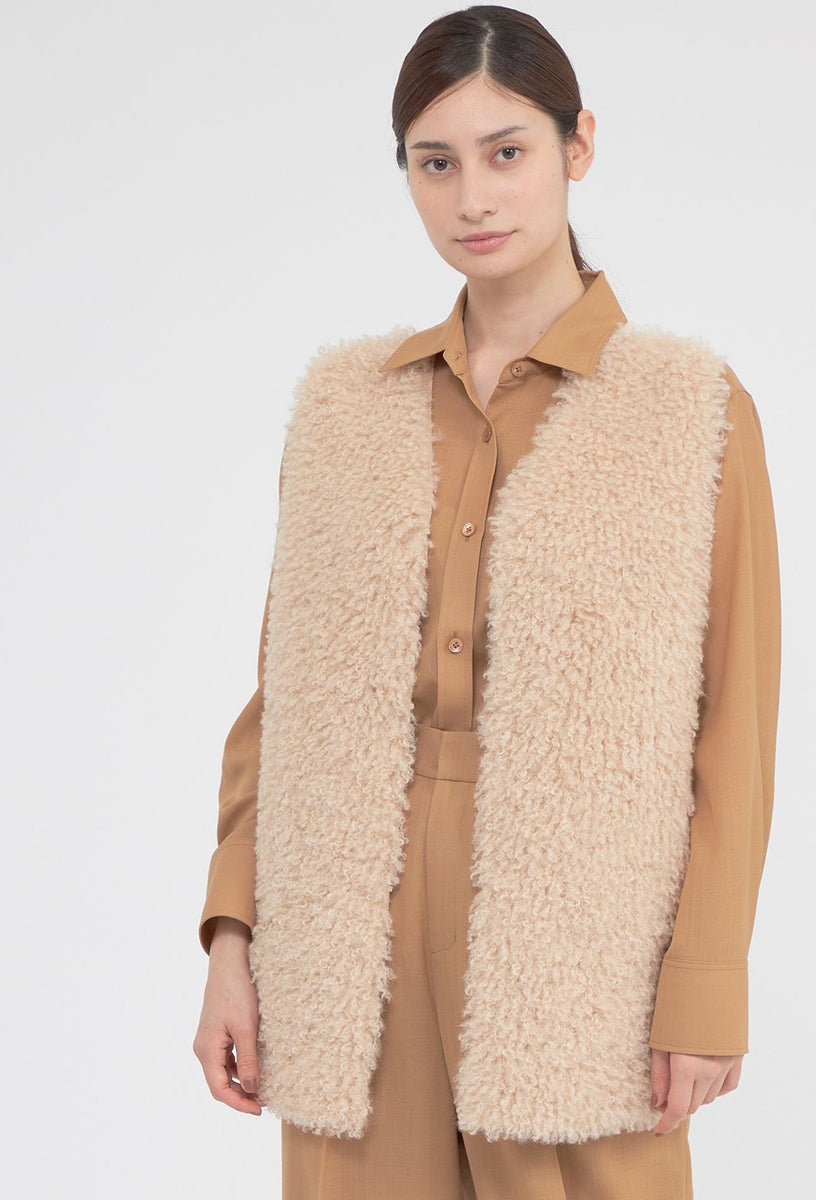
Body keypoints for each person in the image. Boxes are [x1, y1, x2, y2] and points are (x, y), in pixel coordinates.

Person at [193, 6, 781, 1198]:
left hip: (585, 937)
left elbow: (737, 723)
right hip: (346, 930)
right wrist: (232, 938)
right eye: (435, 162)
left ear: (578, 146)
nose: (472, 197)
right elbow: (281, 707)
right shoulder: (345, 409)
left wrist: (705, 983)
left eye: (506, 151)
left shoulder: (687, 410)